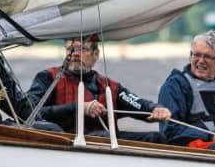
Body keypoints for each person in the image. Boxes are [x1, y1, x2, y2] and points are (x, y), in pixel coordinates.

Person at [27, 36, 171, 143]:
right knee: (105, 137)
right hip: (62, 143)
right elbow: (29, 113)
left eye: (82, 49)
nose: (75, 53)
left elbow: (138, 105)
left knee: (158, 138)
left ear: (96, 55)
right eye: (71, 49)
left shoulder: (111, 88)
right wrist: (78, 108)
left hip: (105, 144)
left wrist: (157, 109)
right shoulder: (48, 78)